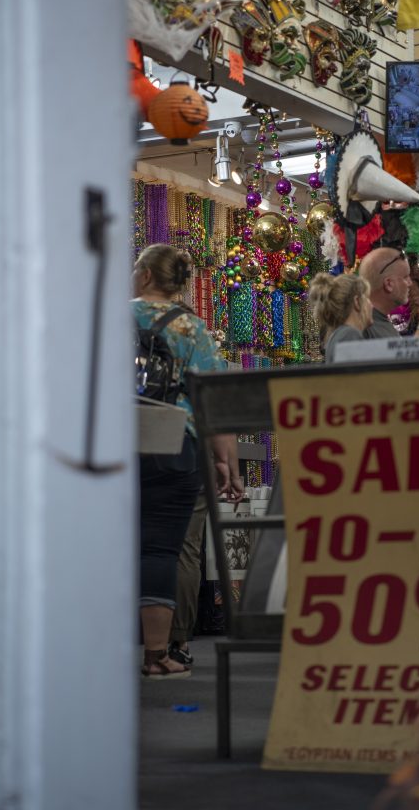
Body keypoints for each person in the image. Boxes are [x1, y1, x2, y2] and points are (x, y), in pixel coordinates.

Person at [132, 244, 243, 679]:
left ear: (144, 276)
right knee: (162, 549)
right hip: (174, 443)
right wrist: (226, 465)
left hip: (112, 443)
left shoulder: (112, 317)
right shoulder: (194, 330)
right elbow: (213, 405)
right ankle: (159, 654)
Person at [358, 247, 419, 340]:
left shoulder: (379, 323)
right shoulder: (361, 328)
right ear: (388, 284)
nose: (410, 283)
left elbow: (403, 356)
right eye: (405, 277)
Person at [309, 272, 373, 363]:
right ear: (357, 302)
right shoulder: (349, 335)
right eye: (367, 298)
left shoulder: (338, 334)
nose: (371, 305)